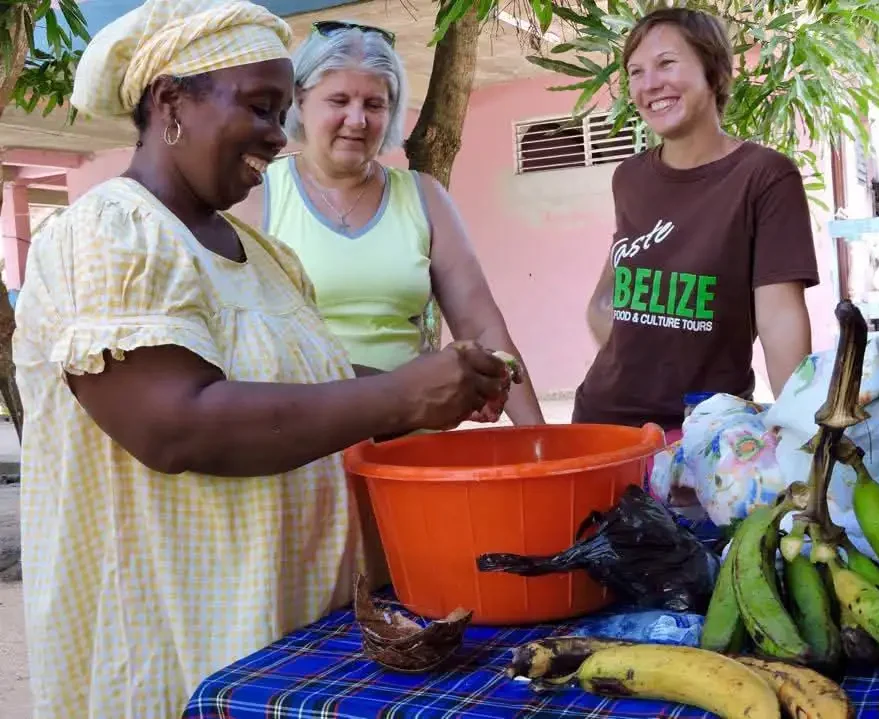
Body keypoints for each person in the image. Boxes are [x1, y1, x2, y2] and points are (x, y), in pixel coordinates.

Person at [11, 1, 514, 717]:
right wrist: (399, 397)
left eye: (281, 113)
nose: (278, 136)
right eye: (260, 106)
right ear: (170, 101)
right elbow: (177, 424)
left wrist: (443, 387)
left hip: (286, 637)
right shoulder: (109, 232)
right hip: (179, 640)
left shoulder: (268, 259)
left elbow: (315, 387)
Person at [259, 21, 545, 426]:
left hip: (409, 439)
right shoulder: (259, 195)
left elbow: (481, 324)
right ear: (300, 101)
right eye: (338, 100)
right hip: (302, 440)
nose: (357, 120)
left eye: (374, 104)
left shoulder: (424, 197)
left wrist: (538, 440)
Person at [574, 7, 819, 438]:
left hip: (706, 431)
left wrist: (801, 430)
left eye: (667, 63)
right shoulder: (629, 177)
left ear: (715, 71)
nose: (650, 84)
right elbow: (611, 291)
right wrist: (636, 355)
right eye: (635, 72)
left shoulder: (764, 175)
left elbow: (779, 317)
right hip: (603, 420)